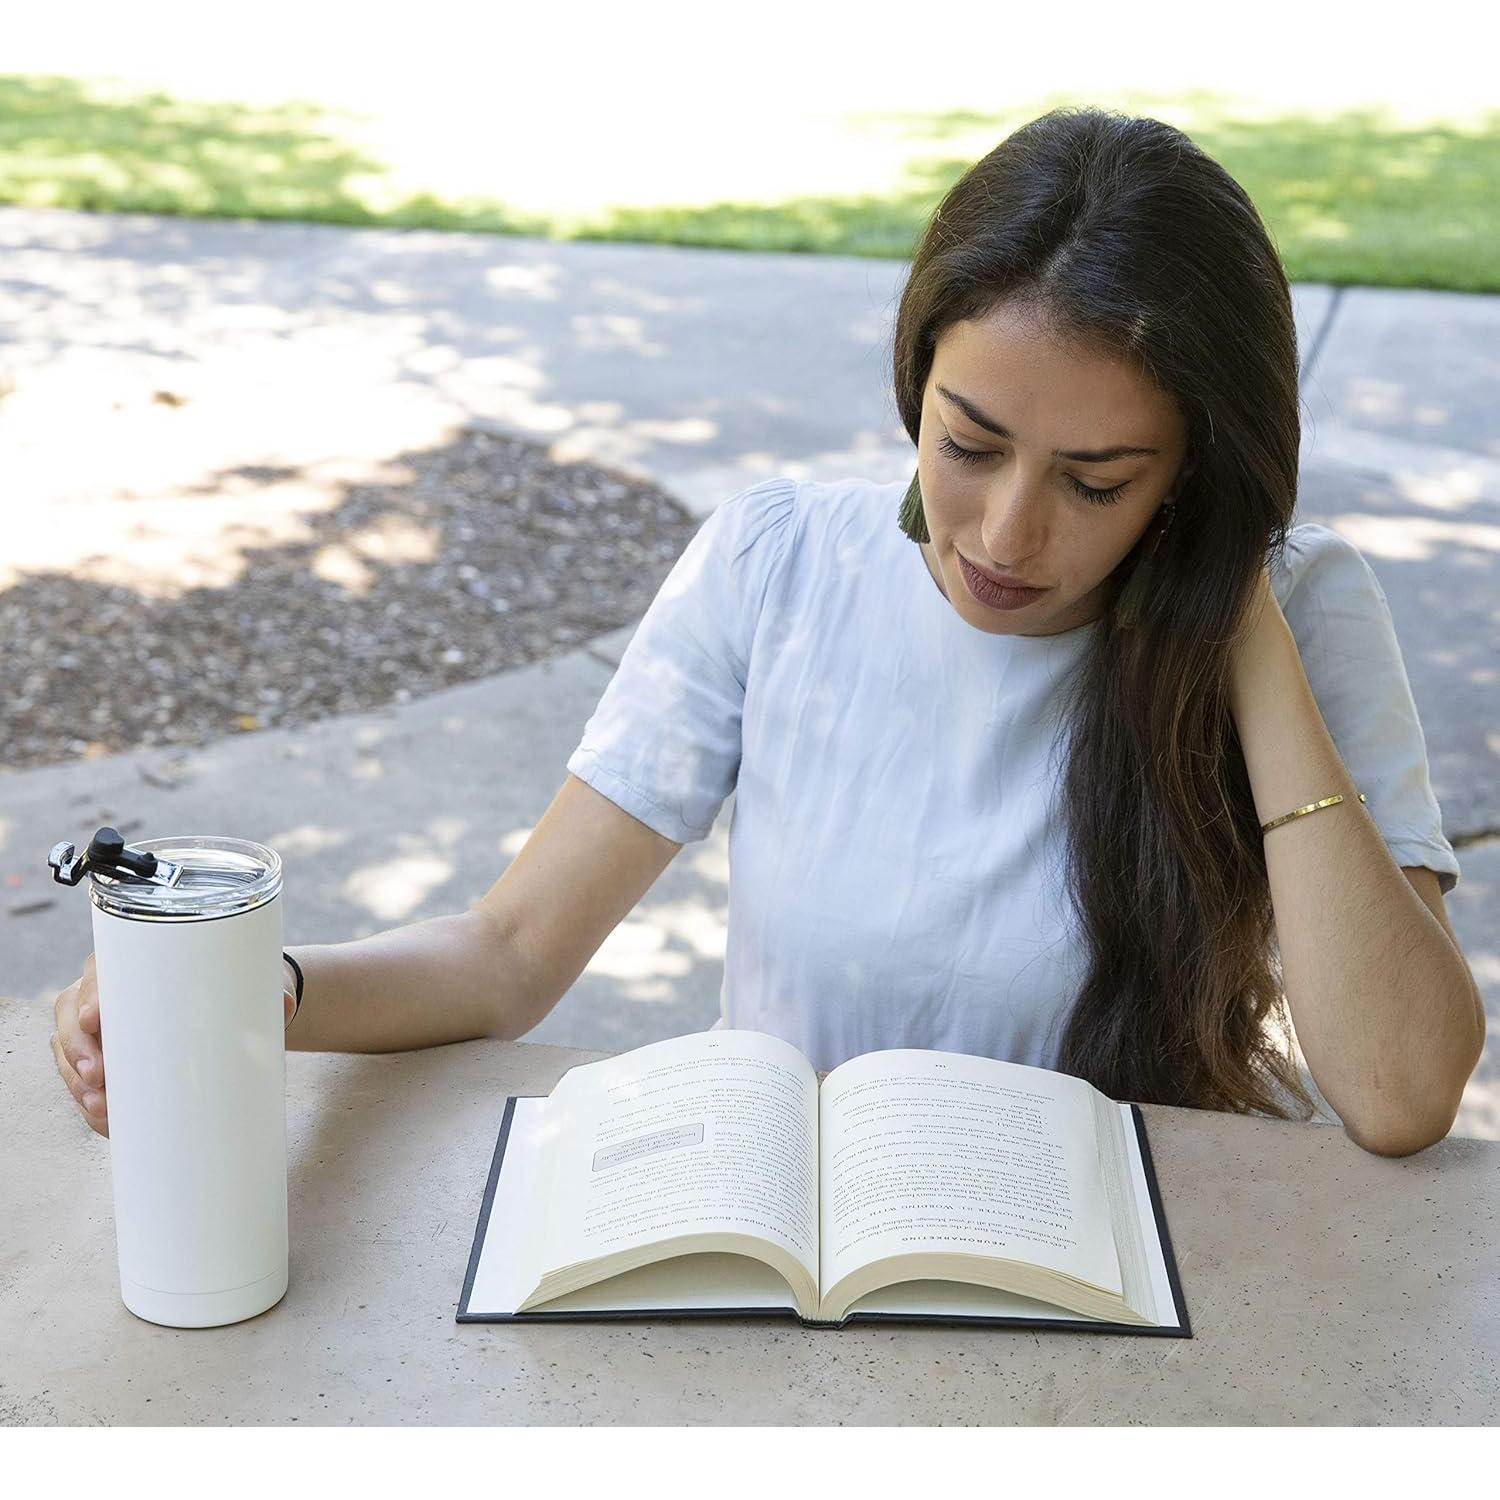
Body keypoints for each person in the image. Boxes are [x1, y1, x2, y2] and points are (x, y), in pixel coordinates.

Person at [52, 105, 1483, 1156]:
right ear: (915, 385)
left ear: (1196, 472)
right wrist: (253, 988)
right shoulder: (779, 565)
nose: (1004, 535)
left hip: (1142, 1302)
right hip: (800, 1277)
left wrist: (1228, 598)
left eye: (1096, 483)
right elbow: (507, 952)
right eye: (967, 444)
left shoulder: (1297, 608)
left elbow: (1403, 1092)